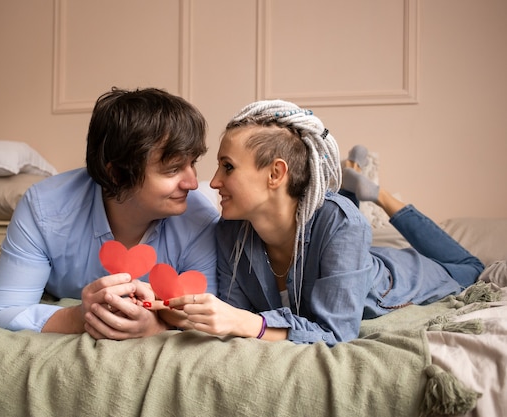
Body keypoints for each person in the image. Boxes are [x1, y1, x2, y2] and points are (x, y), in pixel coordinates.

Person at [162, 99, 484, 346]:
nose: (214, 182)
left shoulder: (343, 223)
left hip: (391, 280)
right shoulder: (229, 231)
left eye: (228, 167)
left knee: (470, 268)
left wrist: (250, 325)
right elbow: (233, 318)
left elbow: (335, 333)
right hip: (346, 250)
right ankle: (351, 176)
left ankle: (379, 195)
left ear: (276, 174)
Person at [0, 87, 220, 339]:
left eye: (192, 163)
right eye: (172, 170)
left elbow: (207, 317)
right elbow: (0, 312)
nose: (192, 183)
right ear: (115, 174)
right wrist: (79, 316)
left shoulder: (200, 219)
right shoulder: (44, 208)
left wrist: (155, 327)